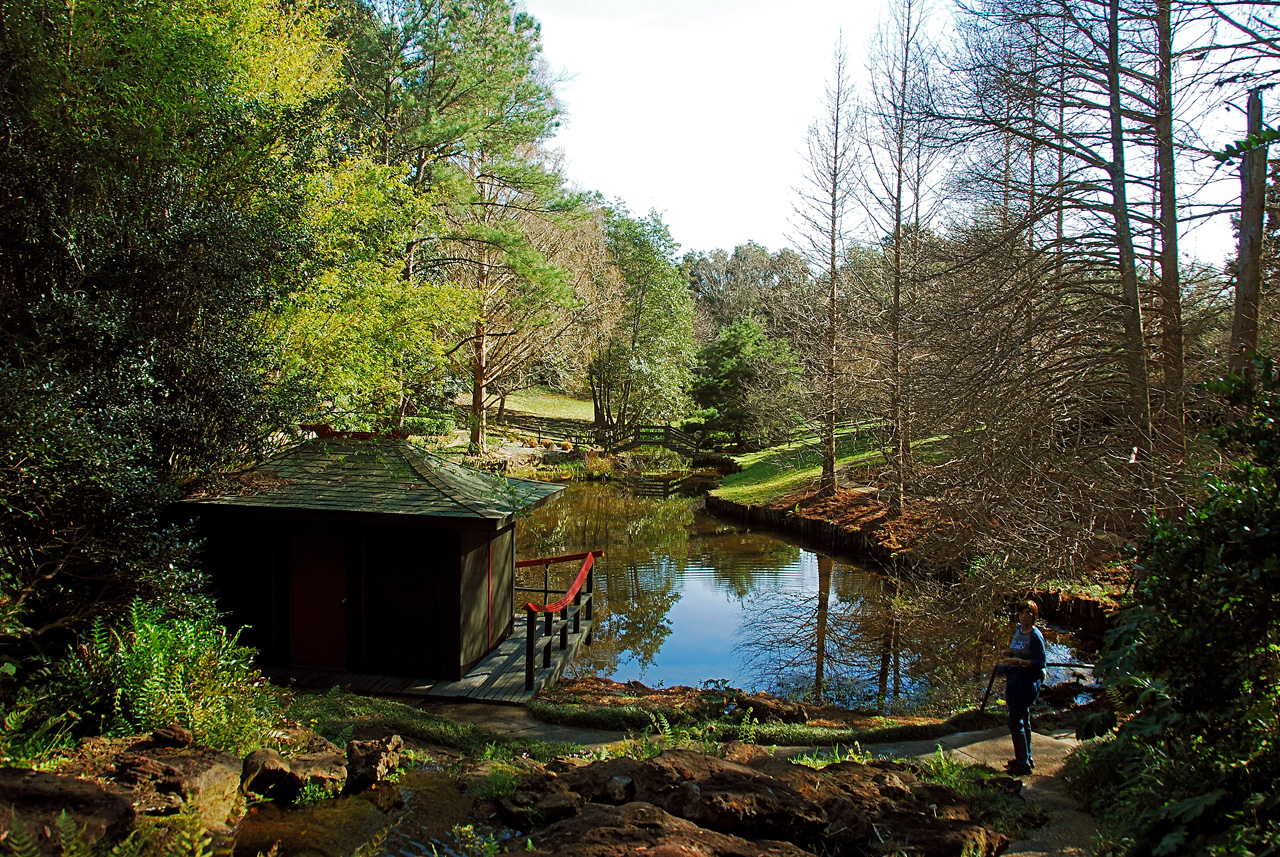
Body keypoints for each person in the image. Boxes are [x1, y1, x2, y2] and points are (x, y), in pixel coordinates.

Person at [999, 599, 1046, 776]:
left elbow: (1040, 662)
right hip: (1015, 678)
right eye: (1021, 613)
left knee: (1015, 721)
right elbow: (1017, 649)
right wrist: (1009, 653)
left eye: (1028, 614)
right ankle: (1025, 758)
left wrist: (1019, 661)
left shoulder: (1035, 636)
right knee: (1023, 719)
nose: (1024, 617)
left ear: (1034, 616)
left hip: (1027, 682)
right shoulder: (1019, 630)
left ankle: (1022, 764)